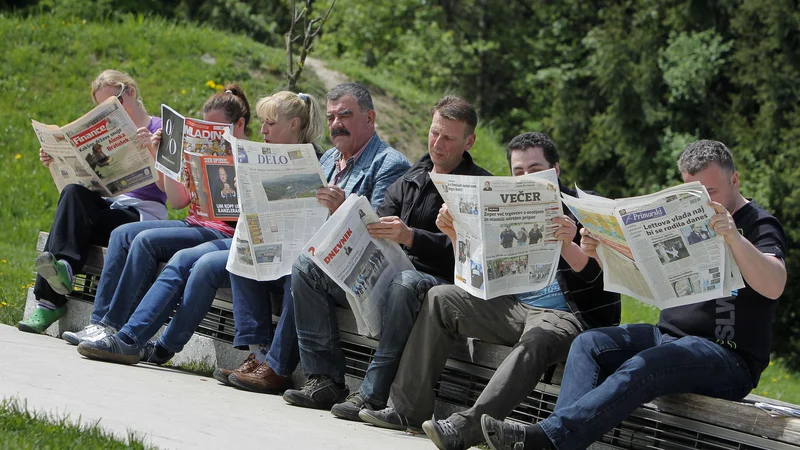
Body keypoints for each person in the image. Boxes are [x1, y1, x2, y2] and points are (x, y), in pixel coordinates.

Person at [481, 139, 786, 450]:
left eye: (710, 193)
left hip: (728, 356)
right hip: (668, 337)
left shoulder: (759, 224)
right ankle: (558, 440)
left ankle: (548, 438)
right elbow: (644, 276)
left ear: (734, 180)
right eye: (692, 194)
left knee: (648, 364)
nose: (703, 205)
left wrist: (733, 237)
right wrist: (601, 252)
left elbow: (774, 284)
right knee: (590, 343)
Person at [358, 132, 620, 450]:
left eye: (536, 169)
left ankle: (468, 428)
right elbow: (474, 273)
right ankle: (407, 411)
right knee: (441, 298)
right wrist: (455, 234)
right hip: (511, 306)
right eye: (519, 172)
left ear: (556, 170)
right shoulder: (502, 202)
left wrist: (568, 244)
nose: (527, 177)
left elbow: (600, 288)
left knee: (538, 338)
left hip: (563, 314)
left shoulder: (584, 211)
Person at [74, 91, 327, 368]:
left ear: (294, 124)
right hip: (247, 239)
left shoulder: (317, 160)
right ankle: (131, 339)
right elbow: (184, 201)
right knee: (182, 259)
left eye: (271, 123)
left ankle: (154, 346)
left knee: (202, 263)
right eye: (264, 123)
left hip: (275, 248)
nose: (264, 130)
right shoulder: (258, 154)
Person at [283, 96, 492, 421]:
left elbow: (472, 254)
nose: (438, 143)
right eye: (434, 133)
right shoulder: (412, 176)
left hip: (435, 283)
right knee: (308, 266)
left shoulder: (479, 186)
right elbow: (377, 221)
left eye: (448, 138)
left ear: (470, 141)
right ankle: (323, 378)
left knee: (406, 282)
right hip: (386, 271)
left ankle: (371, 394)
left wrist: (412, 237)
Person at [214, 84, 411, 393]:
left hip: (353, 268)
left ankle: (277, 368)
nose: (336, 124)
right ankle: (260, 354)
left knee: (302, 271)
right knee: (246, 250)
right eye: (331, 116)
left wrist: (341, 210)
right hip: (309, 249)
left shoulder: (389, 164)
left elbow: (379, 235)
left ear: (370, 118)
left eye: (345, 115)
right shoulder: (329, 157)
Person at [63, 85, 251, 347]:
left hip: (223, 233)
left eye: (218, 128)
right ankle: (99, 323)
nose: (213, 135)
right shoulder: (200, 150)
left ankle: (115, 326)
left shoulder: (251, 156)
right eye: (206, 127)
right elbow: (178, 201)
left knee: (146, 241)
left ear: (239, 124)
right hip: (194, 224)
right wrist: (162, 157)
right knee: (122, 234)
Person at [18, 70, 173, 334]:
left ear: (131, 93)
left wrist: (152, 150)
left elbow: (169, 190)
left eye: (116, 102)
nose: (112, 110)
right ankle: (59, 278)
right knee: (72, 193)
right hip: (110, 206)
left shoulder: (159, 130)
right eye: (103, 107)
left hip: (141, 215)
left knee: (79, 212)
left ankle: (48, 302)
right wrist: (58, 163)